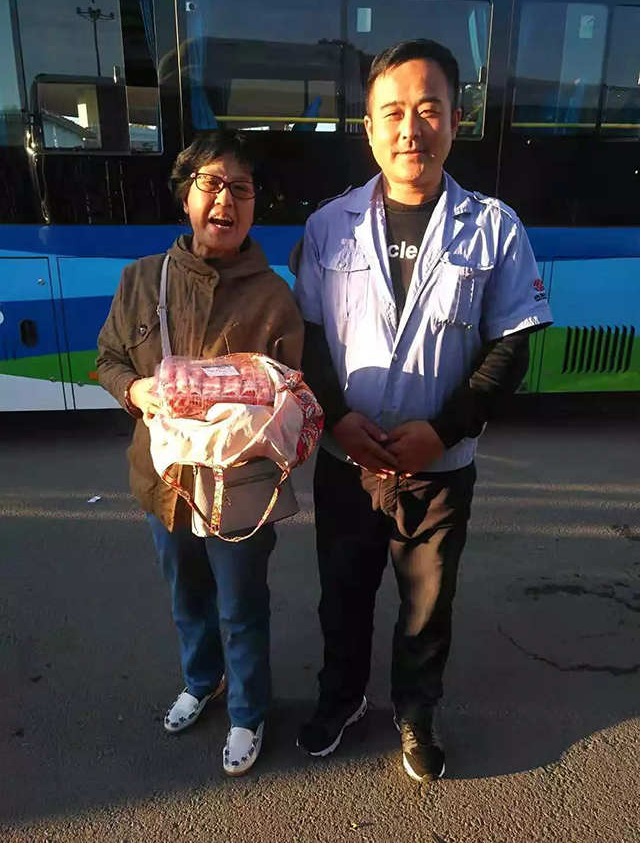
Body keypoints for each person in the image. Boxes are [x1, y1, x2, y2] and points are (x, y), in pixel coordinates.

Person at [293, 39, 552, 783]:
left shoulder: (495, 227)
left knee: (426, 606)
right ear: (369, 128)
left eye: (429, 109)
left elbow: (510, 349)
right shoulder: (328, 226)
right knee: (343, 596)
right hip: (346, 461)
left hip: (440, 468)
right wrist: (337, 419)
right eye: (394, 112)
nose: (412, 129)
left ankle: (416, 711)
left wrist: (440, 432)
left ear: (455, 120)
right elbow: (306, 341)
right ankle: (342, 698)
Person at [97, 131, 303, 776]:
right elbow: (108, 358)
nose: (225, 201)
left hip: (240, 485)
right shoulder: (141, 281)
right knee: (187, 595)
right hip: (164, 479)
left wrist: (259, 411)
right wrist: (135, 390)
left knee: (240, 604)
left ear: (254, 204)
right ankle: (201, 679)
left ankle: (248, 711)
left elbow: (293, 394)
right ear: (186, 196)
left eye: (241, 188)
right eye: (211, 184)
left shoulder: (275, 296)